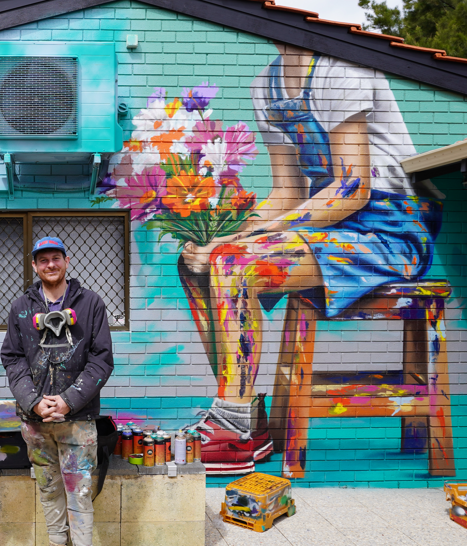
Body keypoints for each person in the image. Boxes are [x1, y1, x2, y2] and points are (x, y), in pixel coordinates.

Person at [178, 43, 442, 473]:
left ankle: (234, 430)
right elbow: (288, 194)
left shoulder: (342, 69)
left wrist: (247, 241)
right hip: (326, 224)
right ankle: (246, 418)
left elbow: (352, 188)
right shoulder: (266, 85)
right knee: (200, 265)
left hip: (391, 228)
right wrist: (229, 237)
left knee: (233, 264)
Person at [1, 237, 115, 546]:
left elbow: (101, 359)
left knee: (79, 494)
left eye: (56, 258)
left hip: (77, 420)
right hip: (35, 421)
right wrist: (33, 401)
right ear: (34, 266)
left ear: (67, 261)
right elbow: (12, 358)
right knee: (49, 488)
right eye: (42, 260)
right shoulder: (21, 308)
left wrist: (69, 400)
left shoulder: (91, 304)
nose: (50, 264)